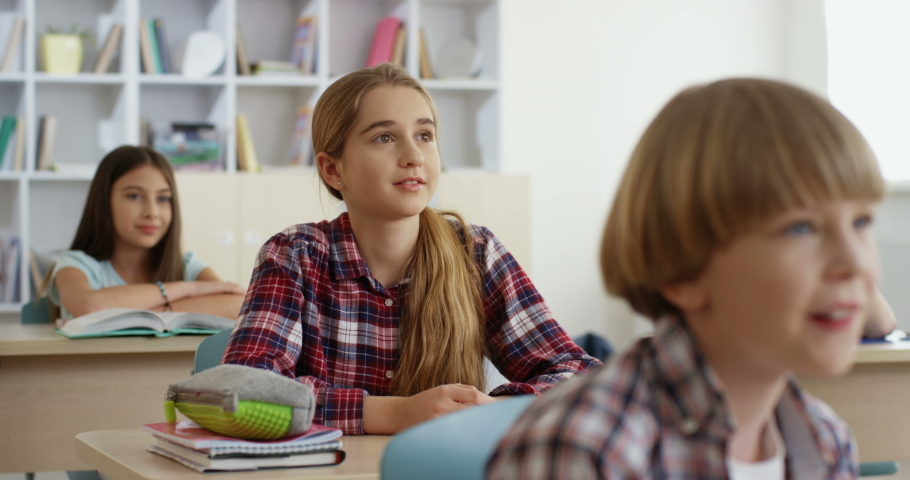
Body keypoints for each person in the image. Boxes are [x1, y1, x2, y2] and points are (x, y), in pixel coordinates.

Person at [487, 78, 884, 479]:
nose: (854, 263)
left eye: (861, 221)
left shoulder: (827, 441)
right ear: (684, 274)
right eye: (801, 228)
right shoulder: (586, 447)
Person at [221, 63, 600, 435]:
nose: (414, 156)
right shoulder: (295, 255)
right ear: (333, 170)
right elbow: (243, 388)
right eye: (384, 138)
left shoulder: (476, 252)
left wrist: (489, 410)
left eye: (424, 135)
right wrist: (397, 414)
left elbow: (580, 376)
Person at [48, 145, 246, 321]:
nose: (152, 212)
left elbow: (241, 306)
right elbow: (90, 306)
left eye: (163, 199)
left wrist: (141, 314)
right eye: (134, 196)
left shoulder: (186, 266)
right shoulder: (75, 265)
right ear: (102, 203)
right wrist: (187, 289)